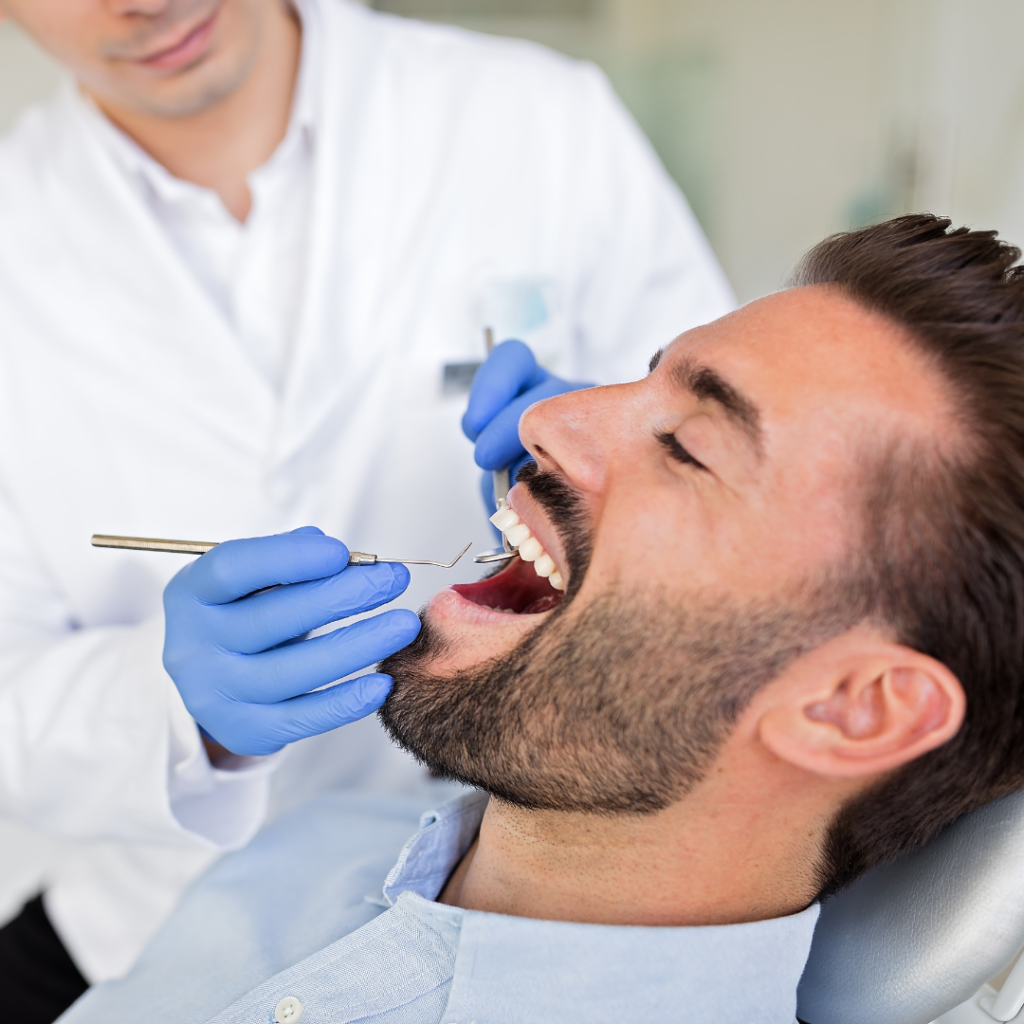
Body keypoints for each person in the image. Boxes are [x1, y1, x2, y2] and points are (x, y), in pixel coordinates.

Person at [55, 214, 1024, 1024]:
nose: (541, 422)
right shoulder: (310, 844)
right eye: (636, 376)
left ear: (853, 706)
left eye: (687, 445)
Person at [0, 0, 733, 1011]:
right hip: (146, 923)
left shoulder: (534, 119)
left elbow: (741, 496)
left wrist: (619, 433)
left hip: (512, 890)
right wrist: (171, 713)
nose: (141, 2)